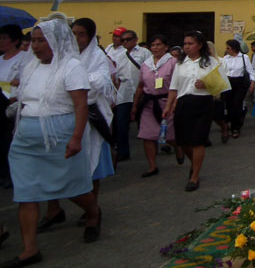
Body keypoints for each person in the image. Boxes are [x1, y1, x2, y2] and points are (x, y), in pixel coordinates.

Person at [4, 20, 101, 267]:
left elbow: (80, 104)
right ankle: (30, 249)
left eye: (41, 40)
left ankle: (93, 213)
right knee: (26, 192)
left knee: (74, 188)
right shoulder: (32, 67)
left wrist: (76, 138)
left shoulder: (71, 67)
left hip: (60, 135)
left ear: (56, 41)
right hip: (27, 138)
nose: (35, 46)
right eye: (34, 40)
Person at [38, 18, 116, 234]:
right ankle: (53, 209)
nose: (76, 38)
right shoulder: (59, 56)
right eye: (73, 33)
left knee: (93, 164)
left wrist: (74, 85)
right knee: (55, 162)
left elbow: (97, 85)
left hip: (90, 118)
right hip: (61, 117)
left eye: (81, 34)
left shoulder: (97, 56)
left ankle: (92, 207)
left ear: (90, 37)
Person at [164, 31, 221, 192]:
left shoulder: (210, 62)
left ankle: (195, 175)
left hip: (202, 102)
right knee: (183, 140)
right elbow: (174, 87)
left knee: (198, 140)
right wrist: (168, 106)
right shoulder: (181, 63)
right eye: (185, 44)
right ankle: (195, 163)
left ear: (200, 45)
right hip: (183, 102)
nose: (187, 47)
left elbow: (220, 85)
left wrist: (206, 84)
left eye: (191, 44)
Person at [132, 34, 179, 178]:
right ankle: (152, 165)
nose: (155, 48)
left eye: (159, 44)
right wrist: (135, 106)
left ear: (166, 47)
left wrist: (174, 103)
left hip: (166, 102)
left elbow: (178, 84)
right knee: (147, 135)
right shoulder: (146, 64)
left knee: (168, 134)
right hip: (149, 103)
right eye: (153, 45)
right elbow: (140, 86)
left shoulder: (173, 62)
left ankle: (179, 147)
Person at [112, 30, 151, 161]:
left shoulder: (144, 53)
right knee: (121, 123)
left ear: (135, 39)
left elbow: (150, 70)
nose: (125, 42)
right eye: (123, 40)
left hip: (142, 90)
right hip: (124, 92)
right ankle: (123, 151)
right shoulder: (118, 55)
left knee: (146, 122)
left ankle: (152, 149)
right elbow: (115, 75)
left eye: (128, 39)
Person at [0, 25, 28, 190]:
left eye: (4, 38)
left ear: (15, 40)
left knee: (9, 141)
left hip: (13, 102)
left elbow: (28, 77)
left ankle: (12, 173)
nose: (1, 41)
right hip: (0, 101)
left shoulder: (24, 58)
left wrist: (18, 83)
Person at [220, 39, 255, 139]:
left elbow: (251, 71)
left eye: (228, 48)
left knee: (236, 104)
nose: (227, 50)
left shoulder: (244, 58)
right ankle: (234, 120)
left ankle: (235, 128)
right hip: (228, 83)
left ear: (234, 48)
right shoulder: (225, 58)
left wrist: (253, 83)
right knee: (229, 105)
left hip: (240, 83)